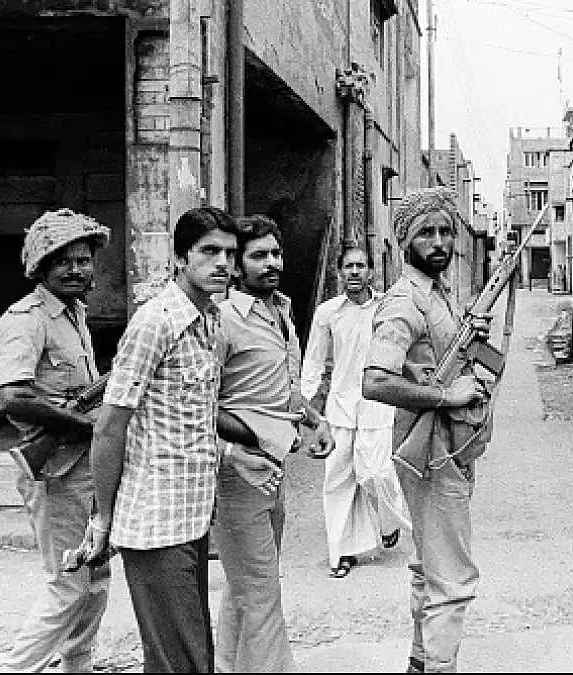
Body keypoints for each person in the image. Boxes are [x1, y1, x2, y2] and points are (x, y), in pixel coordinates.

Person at [84, 206, 239, 673]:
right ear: (179, 258)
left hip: (191, 517)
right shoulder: (155, 324)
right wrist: (104, 516)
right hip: (154, 522)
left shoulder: (209, 320)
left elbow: (195, 419)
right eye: (209, 252)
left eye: (230, 254)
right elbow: (110, 425)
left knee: (189, 656)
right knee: (181, 661)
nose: (223, 265)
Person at [362, 187, 491, 674]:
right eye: (425, 233)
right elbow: (374, 381)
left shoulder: (438, 295)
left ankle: (421, 661)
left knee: (428, 565)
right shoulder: (403, 303)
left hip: (449, 450)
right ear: (405, 243)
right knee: (453, 578)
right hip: (431, 450)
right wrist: (446, 396)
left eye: (445, 232)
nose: (438, 242)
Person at [211, 214, 334, 672]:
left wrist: (314, 418)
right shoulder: (220, 321)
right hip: (236, 473)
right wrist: (246, 441)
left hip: (273, 467)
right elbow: (201, 403)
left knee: (244, 589)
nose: (271, 263)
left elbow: (282, 390)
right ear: (237, 267)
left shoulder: (282, 311)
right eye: (258, 255)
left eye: (276, 253)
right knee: (261, 593)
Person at [0, 208, 112, 672]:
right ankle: (16, 669)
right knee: (68, 583)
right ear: (41, 267)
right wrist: (86, 424)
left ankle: (77, 666)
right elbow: (12, 397)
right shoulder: (27, 319)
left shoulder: (74, 314)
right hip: (55, 470)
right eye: (63, 261)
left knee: (97, 576)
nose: (77, 269)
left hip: (86, 467)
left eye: (83, 259)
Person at [302, 246, 409, 579]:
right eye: (348, 266)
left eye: (360, 266)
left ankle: (389, 521)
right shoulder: (328, 312)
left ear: (371, 272)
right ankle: (342, 553)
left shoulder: (386, 309)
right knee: (338, 479)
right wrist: (306, 407)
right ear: (339, 272)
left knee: (376, 472)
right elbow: (315, 360)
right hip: (341, 406)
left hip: (378, 402)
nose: (354, 272)